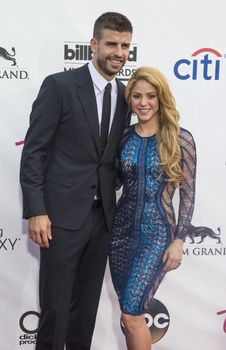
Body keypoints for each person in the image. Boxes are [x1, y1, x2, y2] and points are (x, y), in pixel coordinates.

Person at [20, 12, 133, 350]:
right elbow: (34, 153)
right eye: (112, 44)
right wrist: (36, 210)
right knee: (55, 310)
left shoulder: (126, 95)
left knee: (85, 312)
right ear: (94, 44)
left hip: (102, 221)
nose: (119, 52)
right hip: (60, 220)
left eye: (126, 46)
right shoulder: (60, 86)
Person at [109, 66, 196, 350]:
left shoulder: (180, 138)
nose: (143, 103)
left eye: (150, 96)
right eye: (137, 96)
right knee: (129, 317)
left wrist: (179, 239)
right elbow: (115, 182)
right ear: (129, 100)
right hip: (120, 235)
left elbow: (188, 193)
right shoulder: (122, 137)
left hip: (157, 235)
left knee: (131, 314)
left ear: (161, 98)